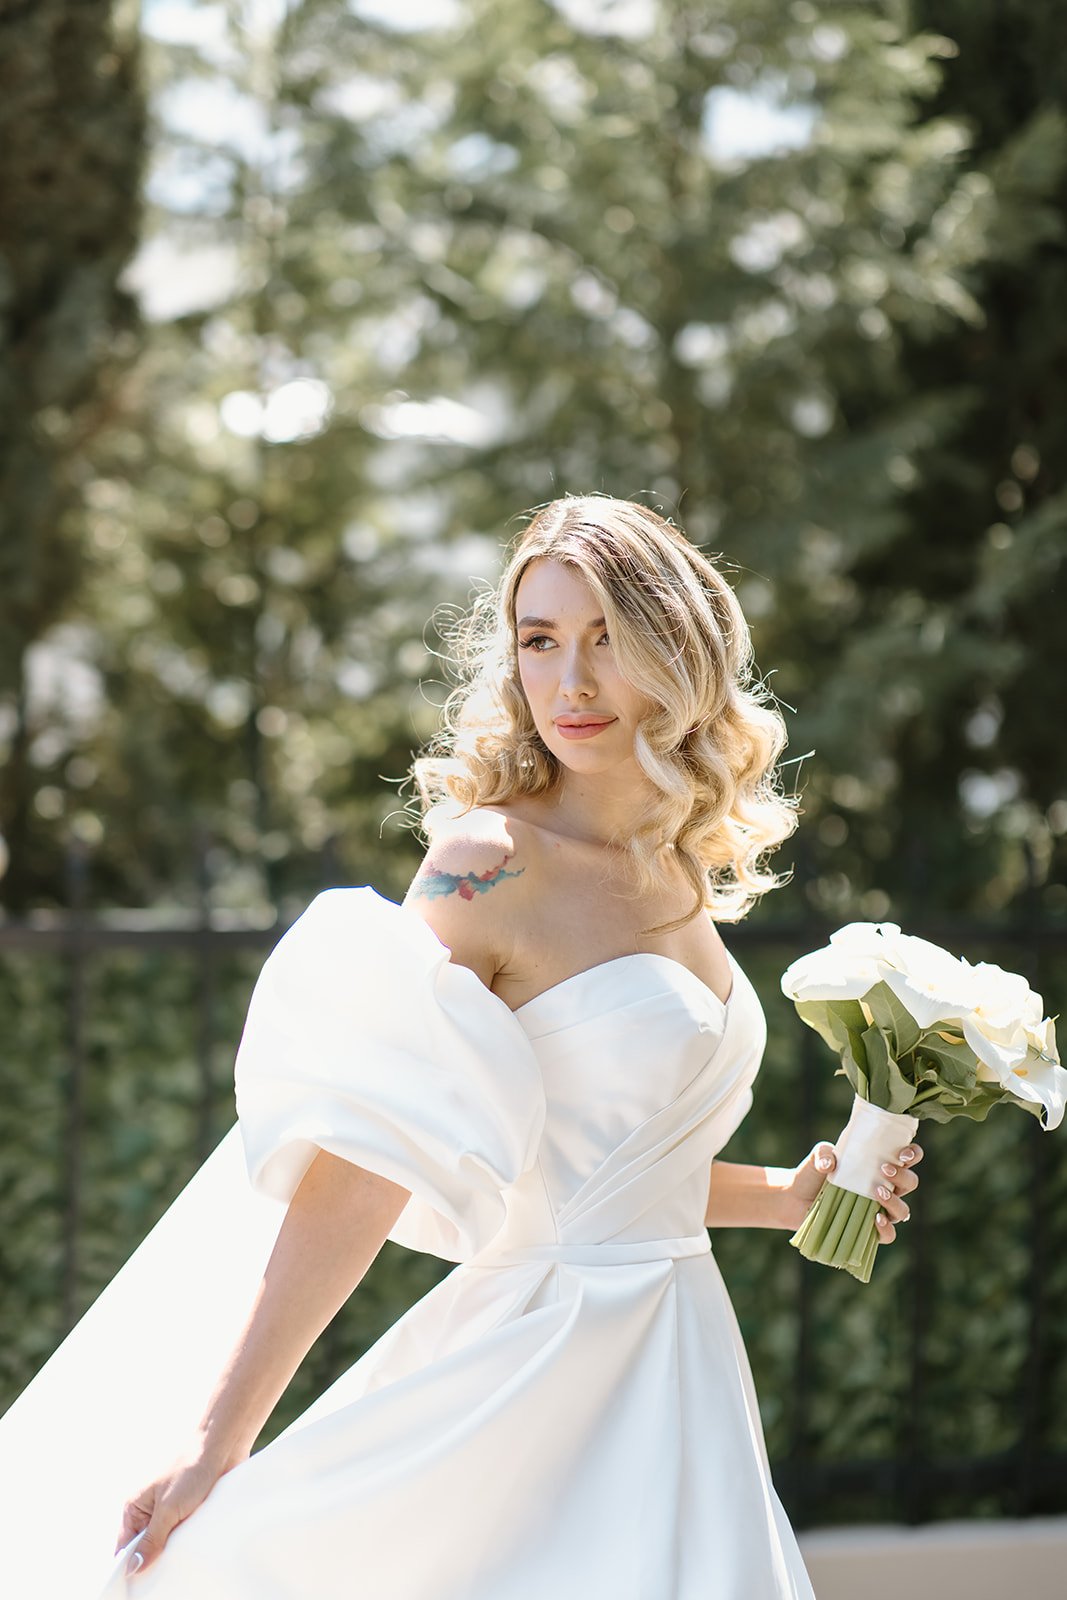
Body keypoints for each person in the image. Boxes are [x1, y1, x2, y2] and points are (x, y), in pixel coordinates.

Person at [0, 495, 922, 1600]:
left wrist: (784, 1192)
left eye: (605, 639)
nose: (569, 683)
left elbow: (600, 1170)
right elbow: (369, 1160)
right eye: (539, 640)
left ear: (676, 650)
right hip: (532, 1368)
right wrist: (216, 1438)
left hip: (679, 1363)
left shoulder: (679, 870)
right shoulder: (487, 861)